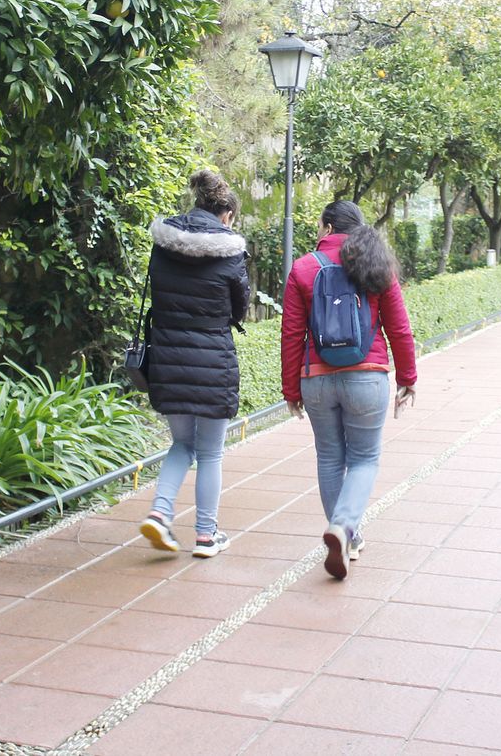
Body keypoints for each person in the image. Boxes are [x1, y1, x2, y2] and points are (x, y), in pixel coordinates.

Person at [281, 201, 417, 579]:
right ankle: (343, 527)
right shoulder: (376, 263)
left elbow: (291, 334)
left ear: (327, 228)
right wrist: (407, 377)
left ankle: (347, 538)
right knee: (364, 459)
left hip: (316, 379)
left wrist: (291, 388)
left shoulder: (303, 268)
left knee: (329, 458)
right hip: (367, 376)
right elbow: (399, 327)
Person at [138, 170, 250, 558]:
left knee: (182, 443)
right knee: (211, 453)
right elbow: (240, 309)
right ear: (226, 215)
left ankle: (160, 513)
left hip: (167, 357)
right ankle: (205, 535)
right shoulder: (230, 251)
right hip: (213, 360)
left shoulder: (163, 244)